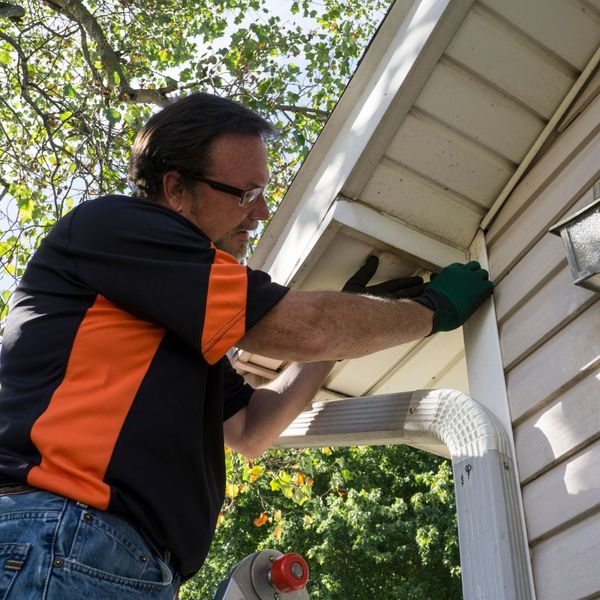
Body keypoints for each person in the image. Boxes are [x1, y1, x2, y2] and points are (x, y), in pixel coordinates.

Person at [0, 92, 493, 599]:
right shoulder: (115, 227)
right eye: (245, 192)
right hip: (61, 535)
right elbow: (307, 327)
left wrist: (339, 337)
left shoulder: (173, 323)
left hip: (104, 556)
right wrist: (433, 310)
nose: (259, 211)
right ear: (175, 189)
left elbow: (251, 429)